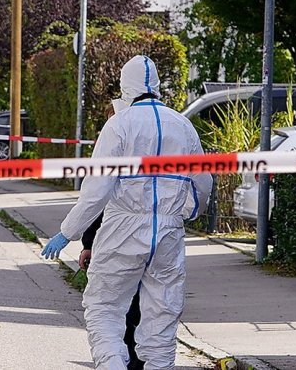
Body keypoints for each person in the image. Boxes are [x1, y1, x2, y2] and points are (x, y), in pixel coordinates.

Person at [41, 55, 212, 370]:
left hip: (123, 230)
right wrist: (190, 211)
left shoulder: (119, 124)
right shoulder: (183, 126)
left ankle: (112, 365)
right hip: (168, 234)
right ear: (157, 85)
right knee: (162, 316)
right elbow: (203, 182)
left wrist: (67, 233)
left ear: (125, 86)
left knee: (104, 307)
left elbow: (96, 191)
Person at [80, 214, 143, 370]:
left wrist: (87, 244)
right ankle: (134, 359)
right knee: (141, 310)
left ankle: (125, 359)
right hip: (156, 246)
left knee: (110, 309)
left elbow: (96, 206)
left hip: (117, 247)